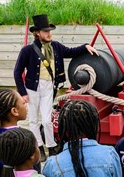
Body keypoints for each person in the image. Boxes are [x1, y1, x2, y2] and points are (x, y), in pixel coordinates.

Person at [13, 14, 99, 161]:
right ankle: (38, 147)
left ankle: (52, 146)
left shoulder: (56, 47)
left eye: (50, 31)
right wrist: (22, 92)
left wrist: (85, 47)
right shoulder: (27, 50)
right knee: (33, 120)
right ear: (37, 33)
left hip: (49, 87)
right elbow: (17, 71)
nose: (49, 34)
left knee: (47, 120)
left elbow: (71, 52)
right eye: (46, 31)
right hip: (32, 88)